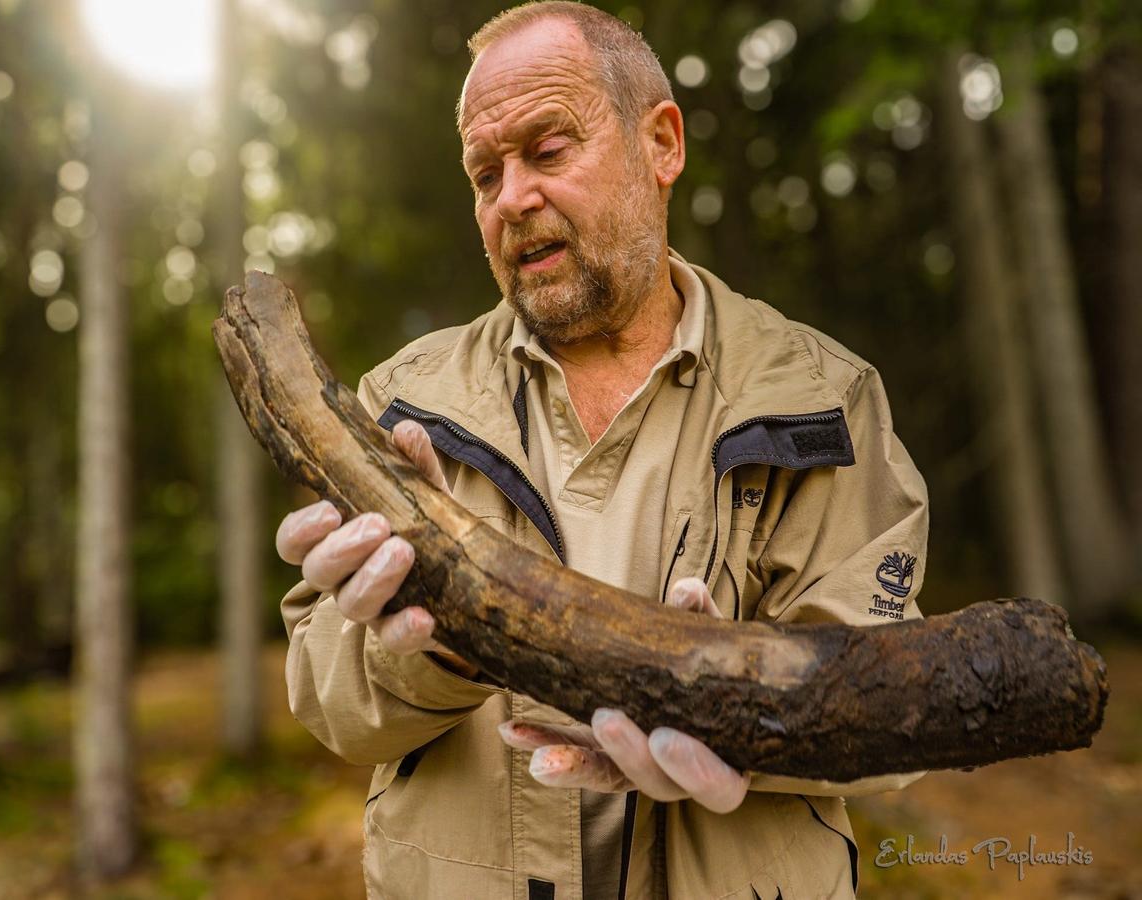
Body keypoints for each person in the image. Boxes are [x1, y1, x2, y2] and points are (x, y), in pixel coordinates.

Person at [275, 3, 929, 897]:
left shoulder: (824, 398)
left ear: (661, 145)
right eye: (484, 174)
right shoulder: (399, 406)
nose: (513, 198)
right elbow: (328, 701)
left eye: (548, 151)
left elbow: (893, 700)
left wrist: (731, 714)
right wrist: (430, 637)